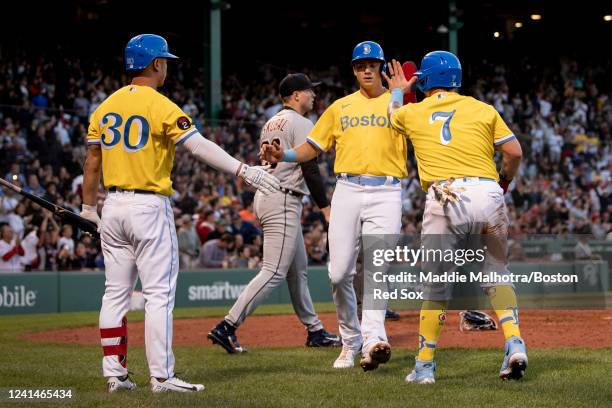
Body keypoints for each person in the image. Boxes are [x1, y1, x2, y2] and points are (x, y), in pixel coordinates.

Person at [80, 34, 280, 393]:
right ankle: (162, 376)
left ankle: (115, 375)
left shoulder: (103, 107)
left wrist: (87, 207)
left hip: (112, 207)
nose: (167, 67)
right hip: (147, 206)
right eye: (165, 61)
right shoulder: (160, 105)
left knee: (114, 294)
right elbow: (198, 146)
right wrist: (242, 170)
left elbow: (92, 161)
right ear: (155, 64)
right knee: (158, 294)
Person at [261, 42, 413, 371]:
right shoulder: (341, 107)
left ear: (382, 67)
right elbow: (311, 149)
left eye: (373, 64)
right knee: (339, 272)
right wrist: (283, 155)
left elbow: (403, 124)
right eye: (361, 65)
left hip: (387, 191)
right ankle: (350, 339)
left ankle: (373, 339)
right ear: (354, 70)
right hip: (346, 189)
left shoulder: (398, 103)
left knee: (377, 269)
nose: (367, 70)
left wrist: (399, 95)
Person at [385, 51, 527, 383]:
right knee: (497, 276)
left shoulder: (412, 111)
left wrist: (398, 89)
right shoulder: (483, 108)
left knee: (436, 287)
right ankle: (515, 344)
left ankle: (424, 367)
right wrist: (503, 181)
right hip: (486, 190)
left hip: (444, 196)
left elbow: (392, 115)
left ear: (425, 80)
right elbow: (514, 152)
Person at [208, 73, 341, 353]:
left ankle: (315, 330)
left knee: (297, 271)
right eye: (309, 91)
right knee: (273, 271)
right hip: (282, 198)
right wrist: (325, 208)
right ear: (296, 96)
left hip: (269, 194)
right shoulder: (301, 122)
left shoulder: (271, 122)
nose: (313, 95)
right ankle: (227, 326)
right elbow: (310, 168)